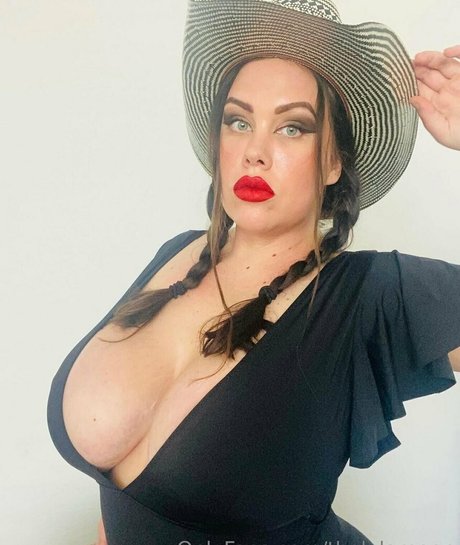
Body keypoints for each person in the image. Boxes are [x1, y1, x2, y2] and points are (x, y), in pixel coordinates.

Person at [47, 1, 460, 544]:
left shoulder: (368, 295)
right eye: (239, 121)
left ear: (334, 162)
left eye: (293, 128)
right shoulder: (178, 254)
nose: (255, 152)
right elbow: (121, 503)